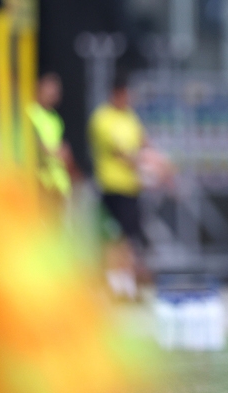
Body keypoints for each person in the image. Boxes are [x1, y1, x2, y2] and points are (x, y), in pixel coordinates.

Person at [88, 70, 149, 300]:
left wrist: (154, 160)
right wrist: (143, 163)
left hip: (131, 188)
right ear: (115, 94)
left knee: (130, 238)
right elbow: (118, 152)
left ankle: (128, 285)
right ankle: (115, 285)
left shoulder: (131, 118)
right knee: (114, 238)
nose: (128, 99)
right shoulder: (102, 119)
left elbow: (143, 142)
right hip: (112, 187)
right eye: (124, 95)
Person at [26, 72, 76, 212]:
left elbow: (62, 149)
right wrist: (54, 151)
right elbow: (35, 143)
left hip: (58, 184)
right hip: (40, 182)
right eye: (50, 89)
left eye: (56, 90)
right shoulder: (30, 112)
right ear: (38, 87)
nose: (54, 93)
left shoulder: (55, 118)